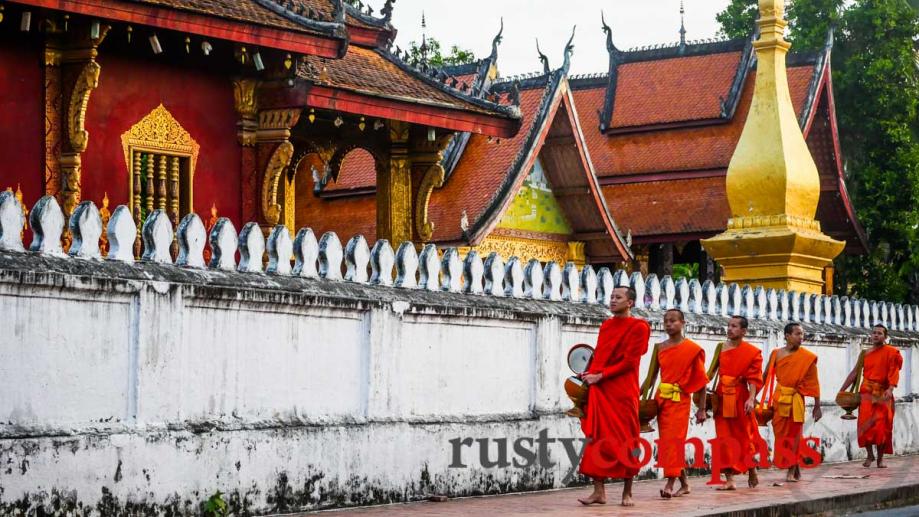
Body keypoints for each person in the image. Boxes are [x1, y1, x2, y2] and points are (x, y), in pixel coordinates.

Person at [577, 286, 651, 507]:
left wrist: (601, 376)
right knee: (597, 438)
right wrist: (590, 373)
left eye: (618, 297)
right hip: (600, 389)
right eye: (611, 297)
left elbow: (630, 362)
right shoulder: (607, 325)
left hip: (622, 391)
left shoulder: (639, 327)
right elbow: (600, 354)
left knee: (626, 439)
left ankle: (627, 492)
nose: (612, 300)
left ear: (630, 302)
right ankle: (599, 491)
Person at [640, 308, 708, 498]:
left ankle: (670, 484)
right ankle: (685, 484)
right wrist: (636, 394)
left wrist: (702, 409)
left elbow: (701, 382)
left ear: (683, 323)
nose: (669, 324)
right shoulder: (659, 347)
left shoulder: (693, 349)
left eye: (673, 321)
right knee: (668, 444)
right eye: (666, 321)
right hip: (663, 401)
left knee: (674, 443)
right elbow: (651, 378)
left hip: (680, 401)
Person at [711, 315, 765, 490]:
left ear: (743, 331)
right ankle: (729, 479)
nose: (729, 329)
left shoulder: (752, 352)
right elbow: (710, 373)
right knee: (724, 438)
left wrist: (751, 398)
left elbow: (755, 379)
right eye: (728, 326)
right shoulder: (721, 348)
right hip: (722, 397)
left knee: (744, 437)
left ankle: (751, 468)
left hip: (741, 398)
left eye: (734, 326)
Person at [839, 324, 903, 468]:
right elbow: (854, 373)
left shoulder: (892, 352)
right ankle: (869, 455)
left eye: (879, 333)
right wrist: (842, 390)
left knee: (882, 427)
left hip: (883, 393)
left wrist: (891, 389)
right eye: (874, 333)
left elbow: (894, 371)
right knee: (865, 426)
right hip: (866, 394)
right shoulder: (865, 354)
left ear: (885, 337)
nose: (876, 335)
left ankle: (880, 459)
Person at [764, 322, 821, 483]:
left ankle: (790, 470)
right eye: (797, 334)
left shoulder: (807, 357)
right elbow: (766, 375)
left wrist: (817, 406)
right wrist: (754, 396)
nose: (801, 337)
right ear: (787, 336)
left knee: (795, 436)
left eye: (802, 334)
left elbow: (813, 383)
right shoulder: (776, 354)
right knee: (780, 435)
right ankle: (794, 466)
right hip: (780, 399)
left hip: (796, 399)